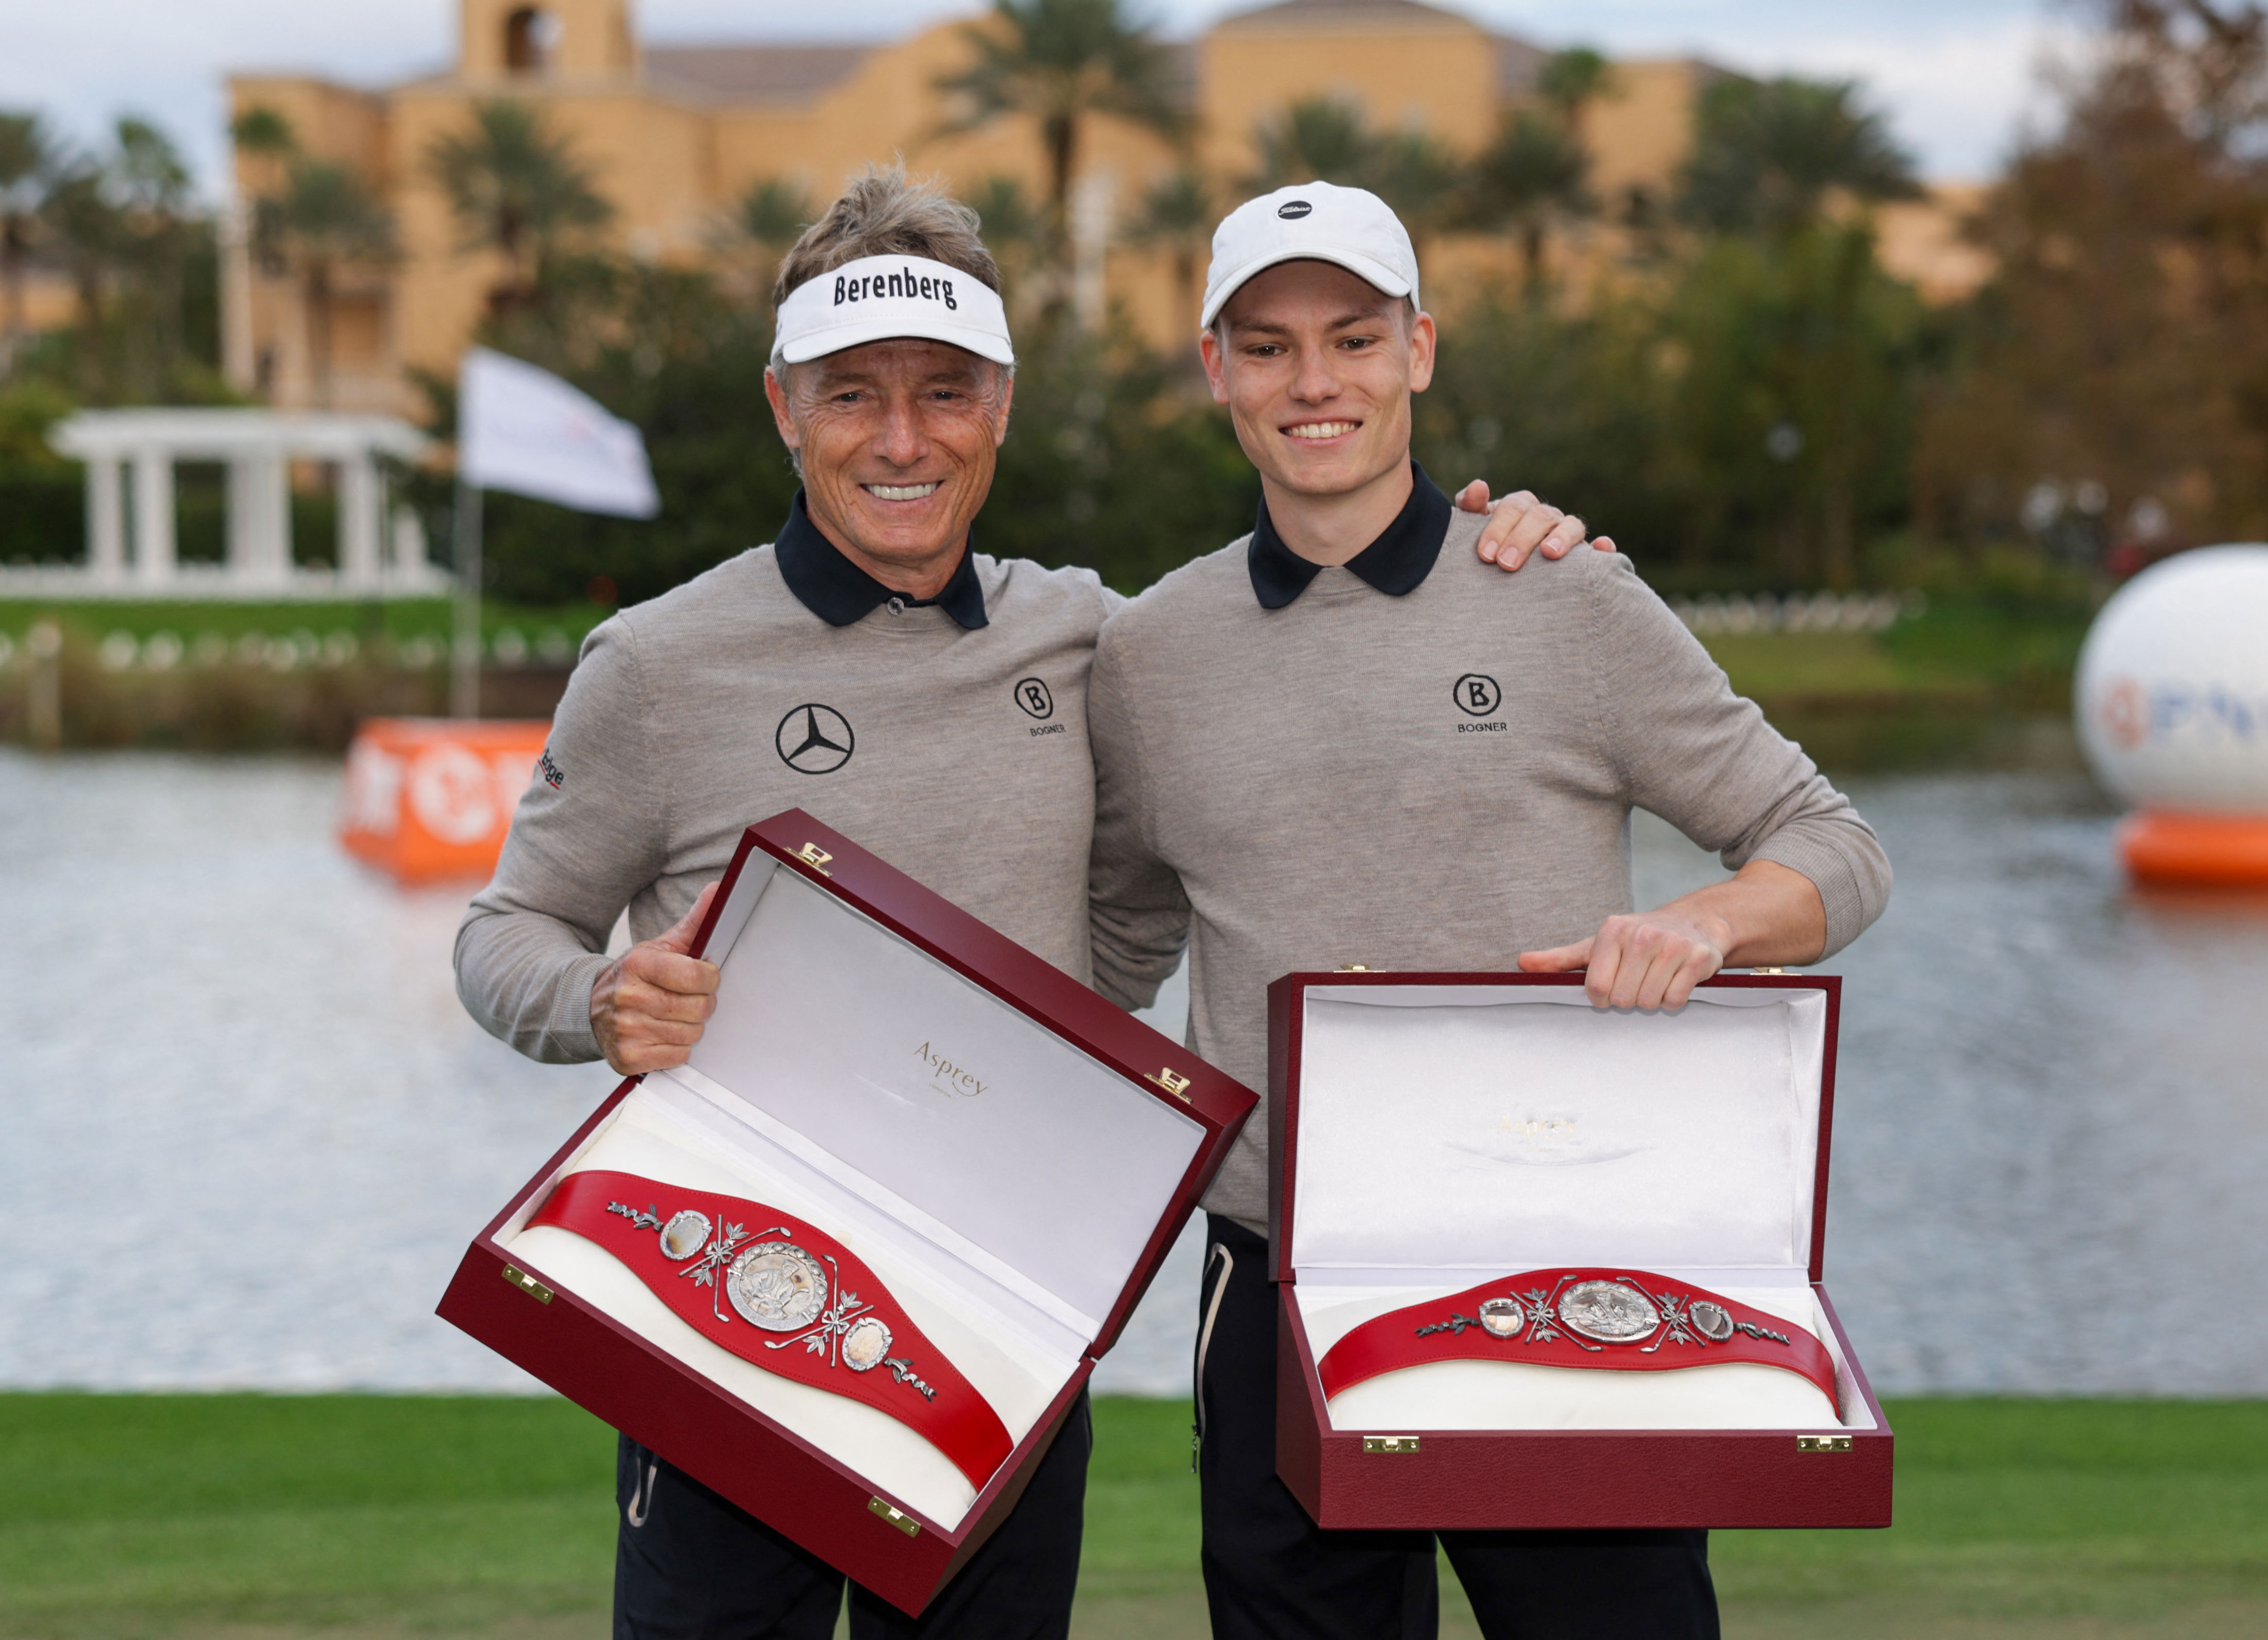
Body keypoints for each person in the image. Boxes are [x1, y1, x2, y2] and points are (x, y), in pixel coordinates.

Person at [454, 165, 1601, 1640]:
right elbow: (505, 937)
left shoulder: (1091, 640)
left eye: (945, 392)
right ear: (782, 408)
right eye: (852, 394)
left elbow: (1140, 904)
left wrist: (1517, 563)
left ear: (1001, 406)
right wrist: (603, 1001)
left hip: (1001, 1315)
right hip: (719, 1290)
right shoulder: (658, 665)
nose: (903, 438)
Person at [1083, 180, 1894, 1640]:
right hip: (1275, 1281)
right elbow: (1114, 946)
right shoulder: (1149, 654)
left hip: (1568, 1260)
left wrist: (1701, 928)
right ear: (1215, 369)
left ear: (1422, 350)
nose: (1313, 382)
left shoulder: (1566, 595)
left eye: (1353, 337)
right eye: (1266, 346)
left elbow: (1829, 846)